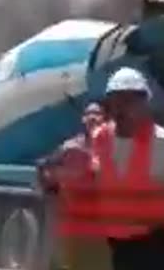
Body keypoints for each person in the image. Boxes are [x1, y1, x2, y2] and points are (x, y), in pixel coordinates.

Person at [87, 67, 164, 270]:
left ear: (144, 103)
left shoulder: (163, 143)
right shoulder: (100, 138)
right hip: (113, 242)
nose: (120, 108)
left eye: (129, 101)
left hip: (153, 243)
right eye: (116, 101)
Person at [40, 101, 114, 270]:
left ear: (105, 120)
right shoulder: (69, 148)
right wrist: (53, 187)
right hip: (73, 226)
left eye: (97, 114)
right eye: (89, 114)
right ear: (83, 119)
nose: (93, 118)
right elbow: (45, 169)